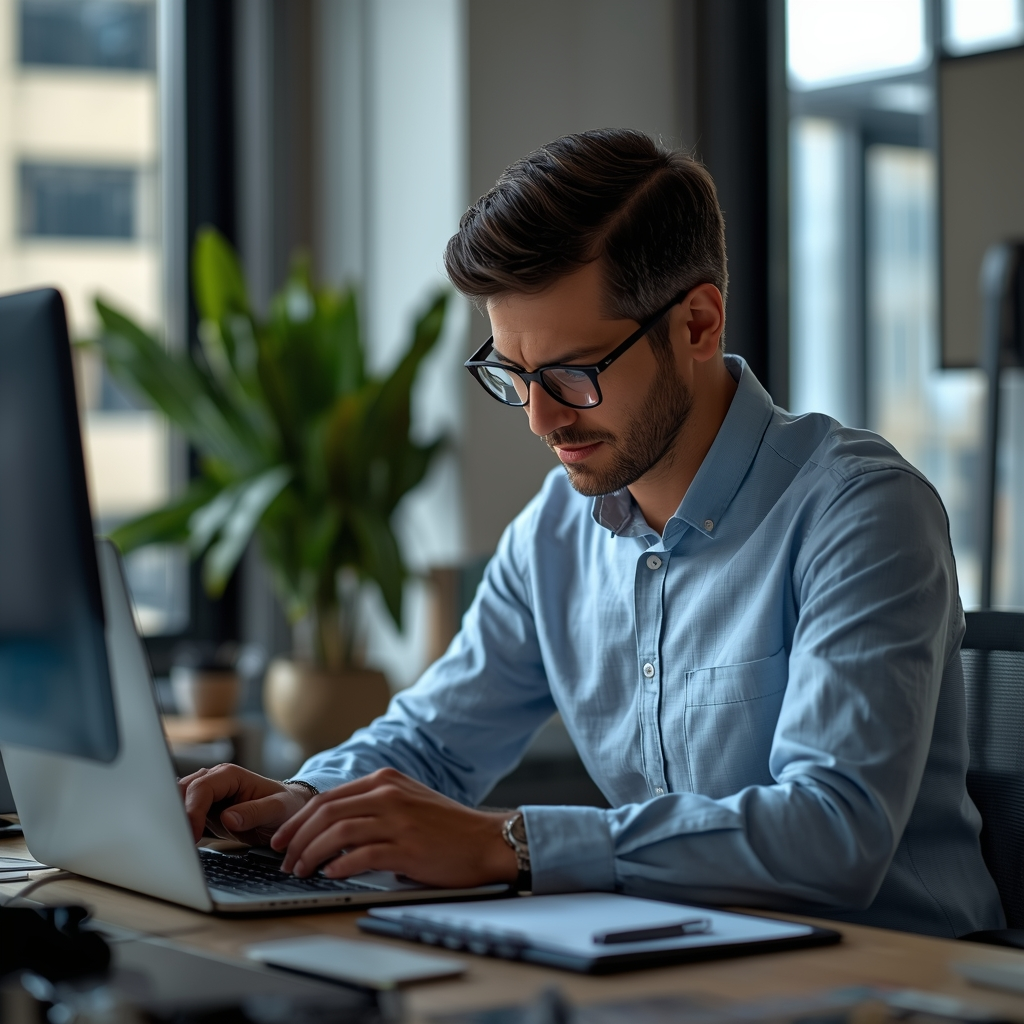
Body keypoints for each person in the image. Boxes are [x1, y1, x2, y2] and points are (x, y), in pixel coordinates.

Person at [179, 129, 1003, 938]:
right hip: (687, 968)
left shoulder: (860, 512)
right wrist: (301, 802)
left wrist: (508, 843)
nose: (541, 418)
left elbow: (832, 834)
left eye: (574, 373)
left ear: (698, 324)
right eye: (515, 375)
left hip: (899, 983)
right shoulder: (555, 533)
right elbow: (432, 740)